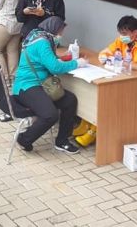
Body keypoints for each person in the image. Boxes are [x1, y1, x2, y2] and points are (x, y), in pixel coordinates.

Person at [73, 15, 137, 147]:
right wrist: (104, 56)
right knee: (98, 93)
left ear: (135, 32)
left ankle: (94, 131)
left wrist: (129, 64)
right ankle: (86, 123)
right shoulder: (122, 40)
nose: (122, 36)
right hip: (124, 77)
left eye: (124, 33)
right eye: (120, 33)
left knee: (107, 98)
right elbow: (107, 51)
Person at [12, 16, 88, 154]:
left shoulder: (37, 36)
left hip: (38, 84)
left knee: (69, 100)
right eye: (60, 32)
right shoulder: (43, 42)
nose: (60, 36)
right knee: (50, 115)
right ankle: (24, 139)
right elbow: (55, 68)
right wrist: (78, 63)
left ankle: (62, 140)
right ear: (53, 30)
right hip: (27, 86)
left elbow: (47, 60)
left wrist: (62, 58)